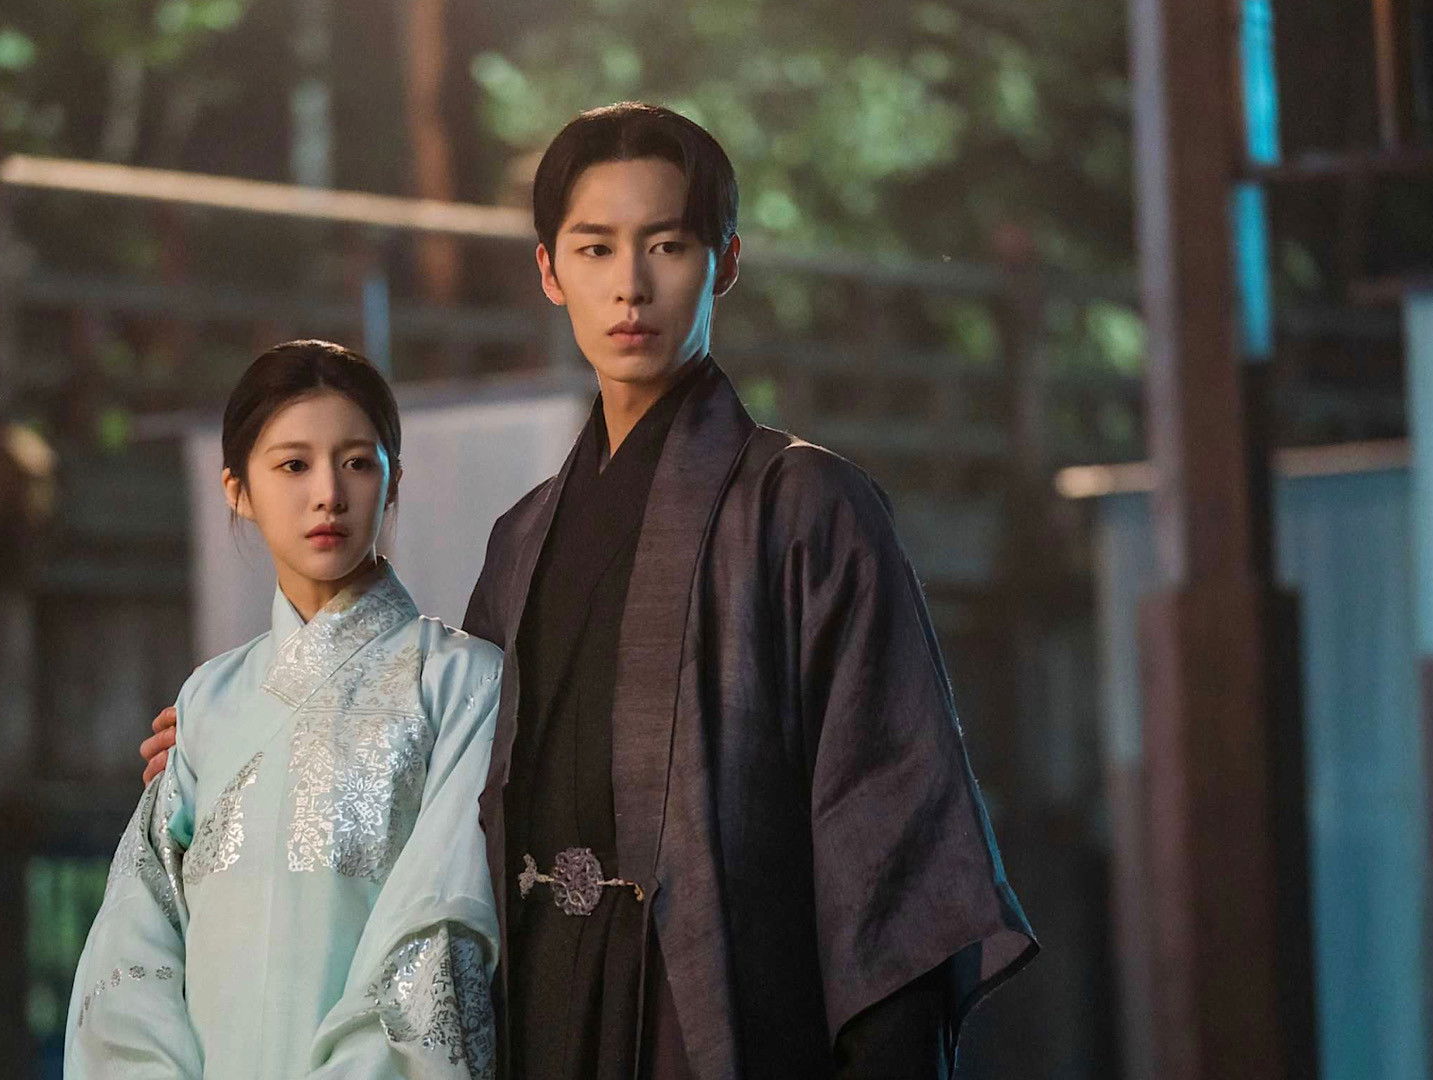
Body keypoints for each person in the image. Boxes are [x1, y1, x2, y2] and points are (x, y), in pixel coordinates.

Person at [145, 104, 1036, 1078]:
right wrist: (250, 733)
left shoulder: (806, 509)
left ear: (725, 264)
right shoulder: (524, 537)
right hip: (540, 1012)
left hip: (710, 1019)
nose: (630, 286)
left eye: (668, 245)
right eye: (596, 248)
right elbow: (439, 772)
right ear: (549, 270)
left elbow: (891, 845)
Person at [73, 340, 502, 1079]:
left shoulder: (462, 682)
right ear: (237, 489)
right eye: (293, 465)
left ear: (393, 482)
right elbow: (136, 936)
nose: (328, 494)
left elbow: (438, 930)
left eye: (357, 462)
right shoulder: (208, 699)